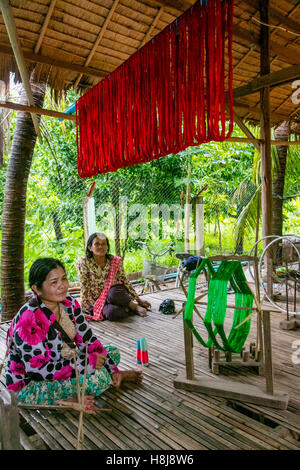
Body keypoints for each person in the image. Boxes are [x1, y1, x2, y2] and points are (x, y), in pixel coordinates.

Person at [5, 257, 142, 406]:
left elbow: (89, 339)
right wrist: (85, 365)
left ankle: (113, 375)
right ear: (37, 289)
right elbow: (38, 371)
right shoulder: (28, 320)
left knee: (111, 353)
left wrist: (112, 368)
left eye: (63, 279)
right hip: (31, 384)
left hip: (63, 362)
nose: (62, 286)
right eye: (54, 282)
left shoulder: (68, 302)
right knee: (97, 379)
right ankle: (65, 401)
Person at [76, 232, 151, 321]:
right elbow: (84, 287)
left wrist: (138, 299)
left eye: (103, 244)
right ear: (90, 247)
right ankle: (127, 307)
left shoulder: (114, 261)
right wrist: (83, 309)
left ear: (107, 247)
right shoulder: (83, 262)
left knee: (114, 294)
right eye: (97, 244)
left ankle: (133, 306)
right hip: (97, 301)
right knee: (112, 313)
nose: (101, 247)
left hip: (115, 294)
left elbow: (125, 281)